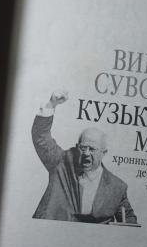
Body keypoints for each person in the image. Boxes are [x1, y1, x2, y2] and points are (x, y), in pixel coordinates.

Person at [32, 90, 138, 224]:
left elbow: (129, 220)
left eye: (92, 149)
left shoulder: (116, 187)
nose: (86, 153)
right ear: (77, 147)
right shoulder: (60, 162)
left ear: (104, 152)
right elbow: (41, 137)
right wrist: (51, 104)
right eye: (83, 148)